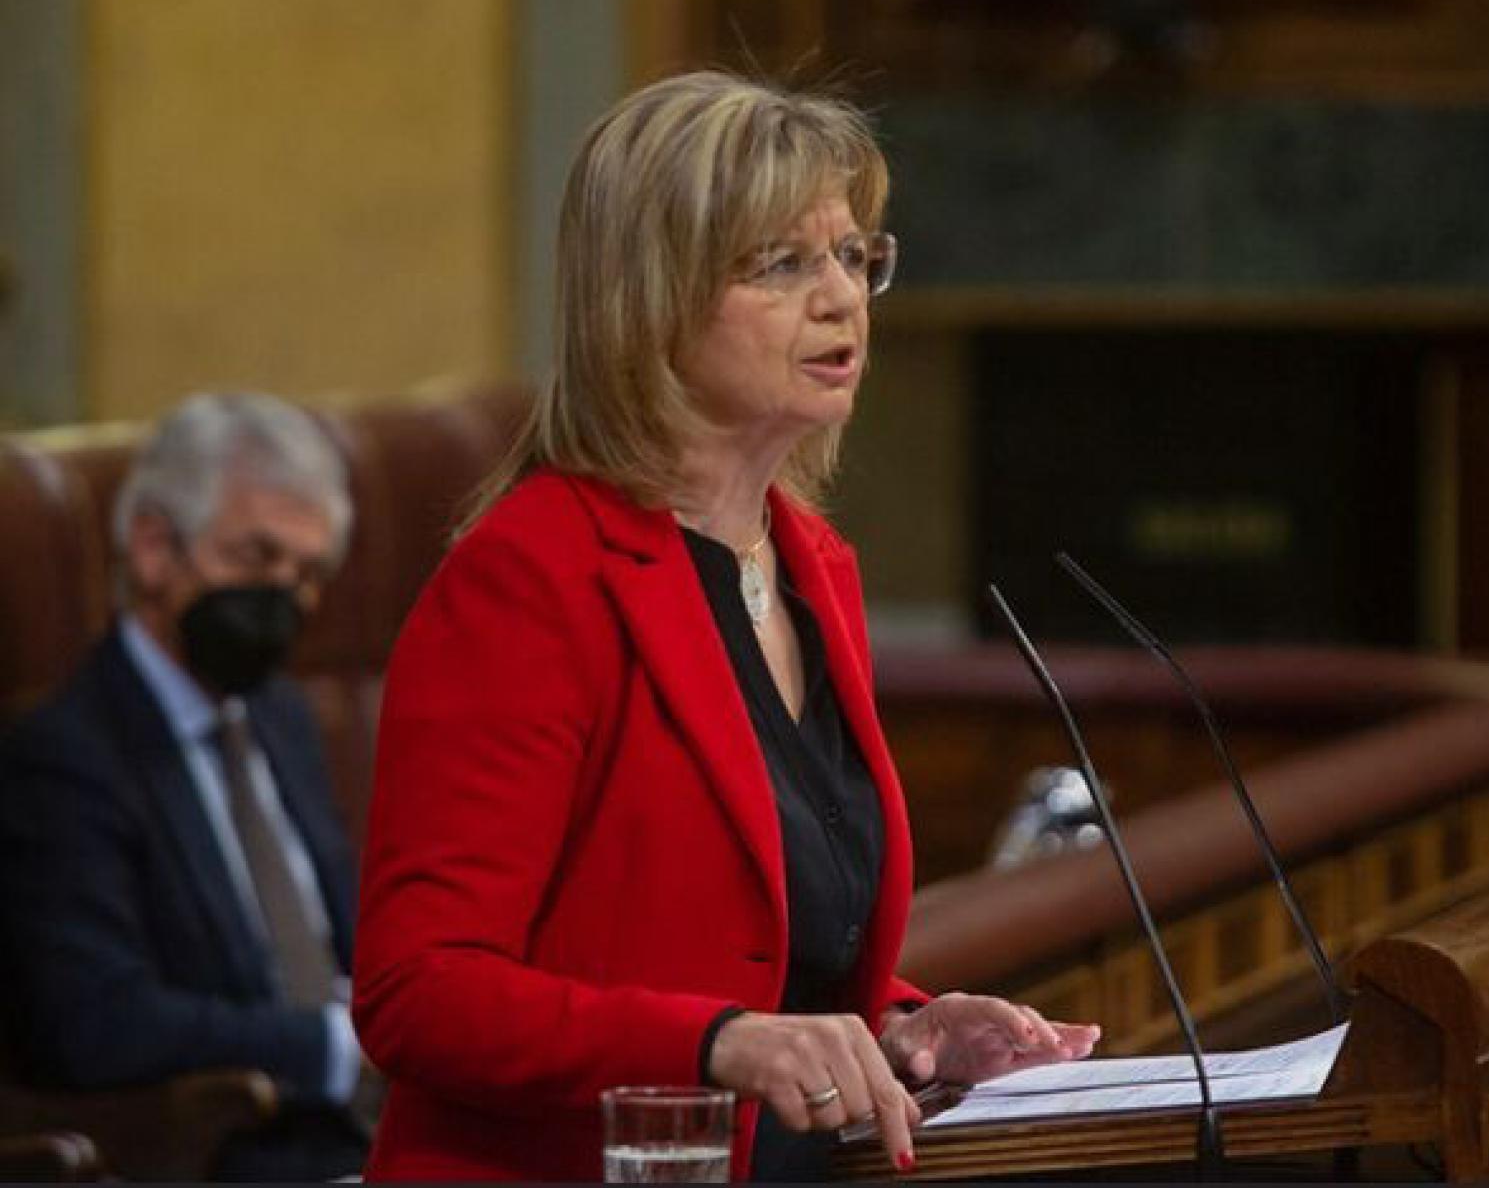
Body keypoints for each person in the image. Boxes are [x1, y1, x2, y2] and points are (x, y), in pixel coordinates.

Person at [352, 69, 1101, 1183]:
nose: (841, 298)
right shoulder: (530, 579)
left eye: (854, 256)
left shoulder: (813, 567)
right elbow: (419, 991)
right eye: (783, 263)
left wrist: (905, 1025)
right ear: (650, 300)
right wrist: (718, 1043)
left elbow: (765, 954)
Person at [0, 392, 372, 1181]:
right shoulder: (67, 757)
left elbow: (344, 935)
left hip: (372, 1132)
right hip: (231, 1153)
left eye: (307, 574)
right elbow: (99, 1021)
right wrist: (332, 1046)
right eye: (256, 559)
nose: (285, 599)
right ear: (153, 549)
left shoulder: (279, 714)